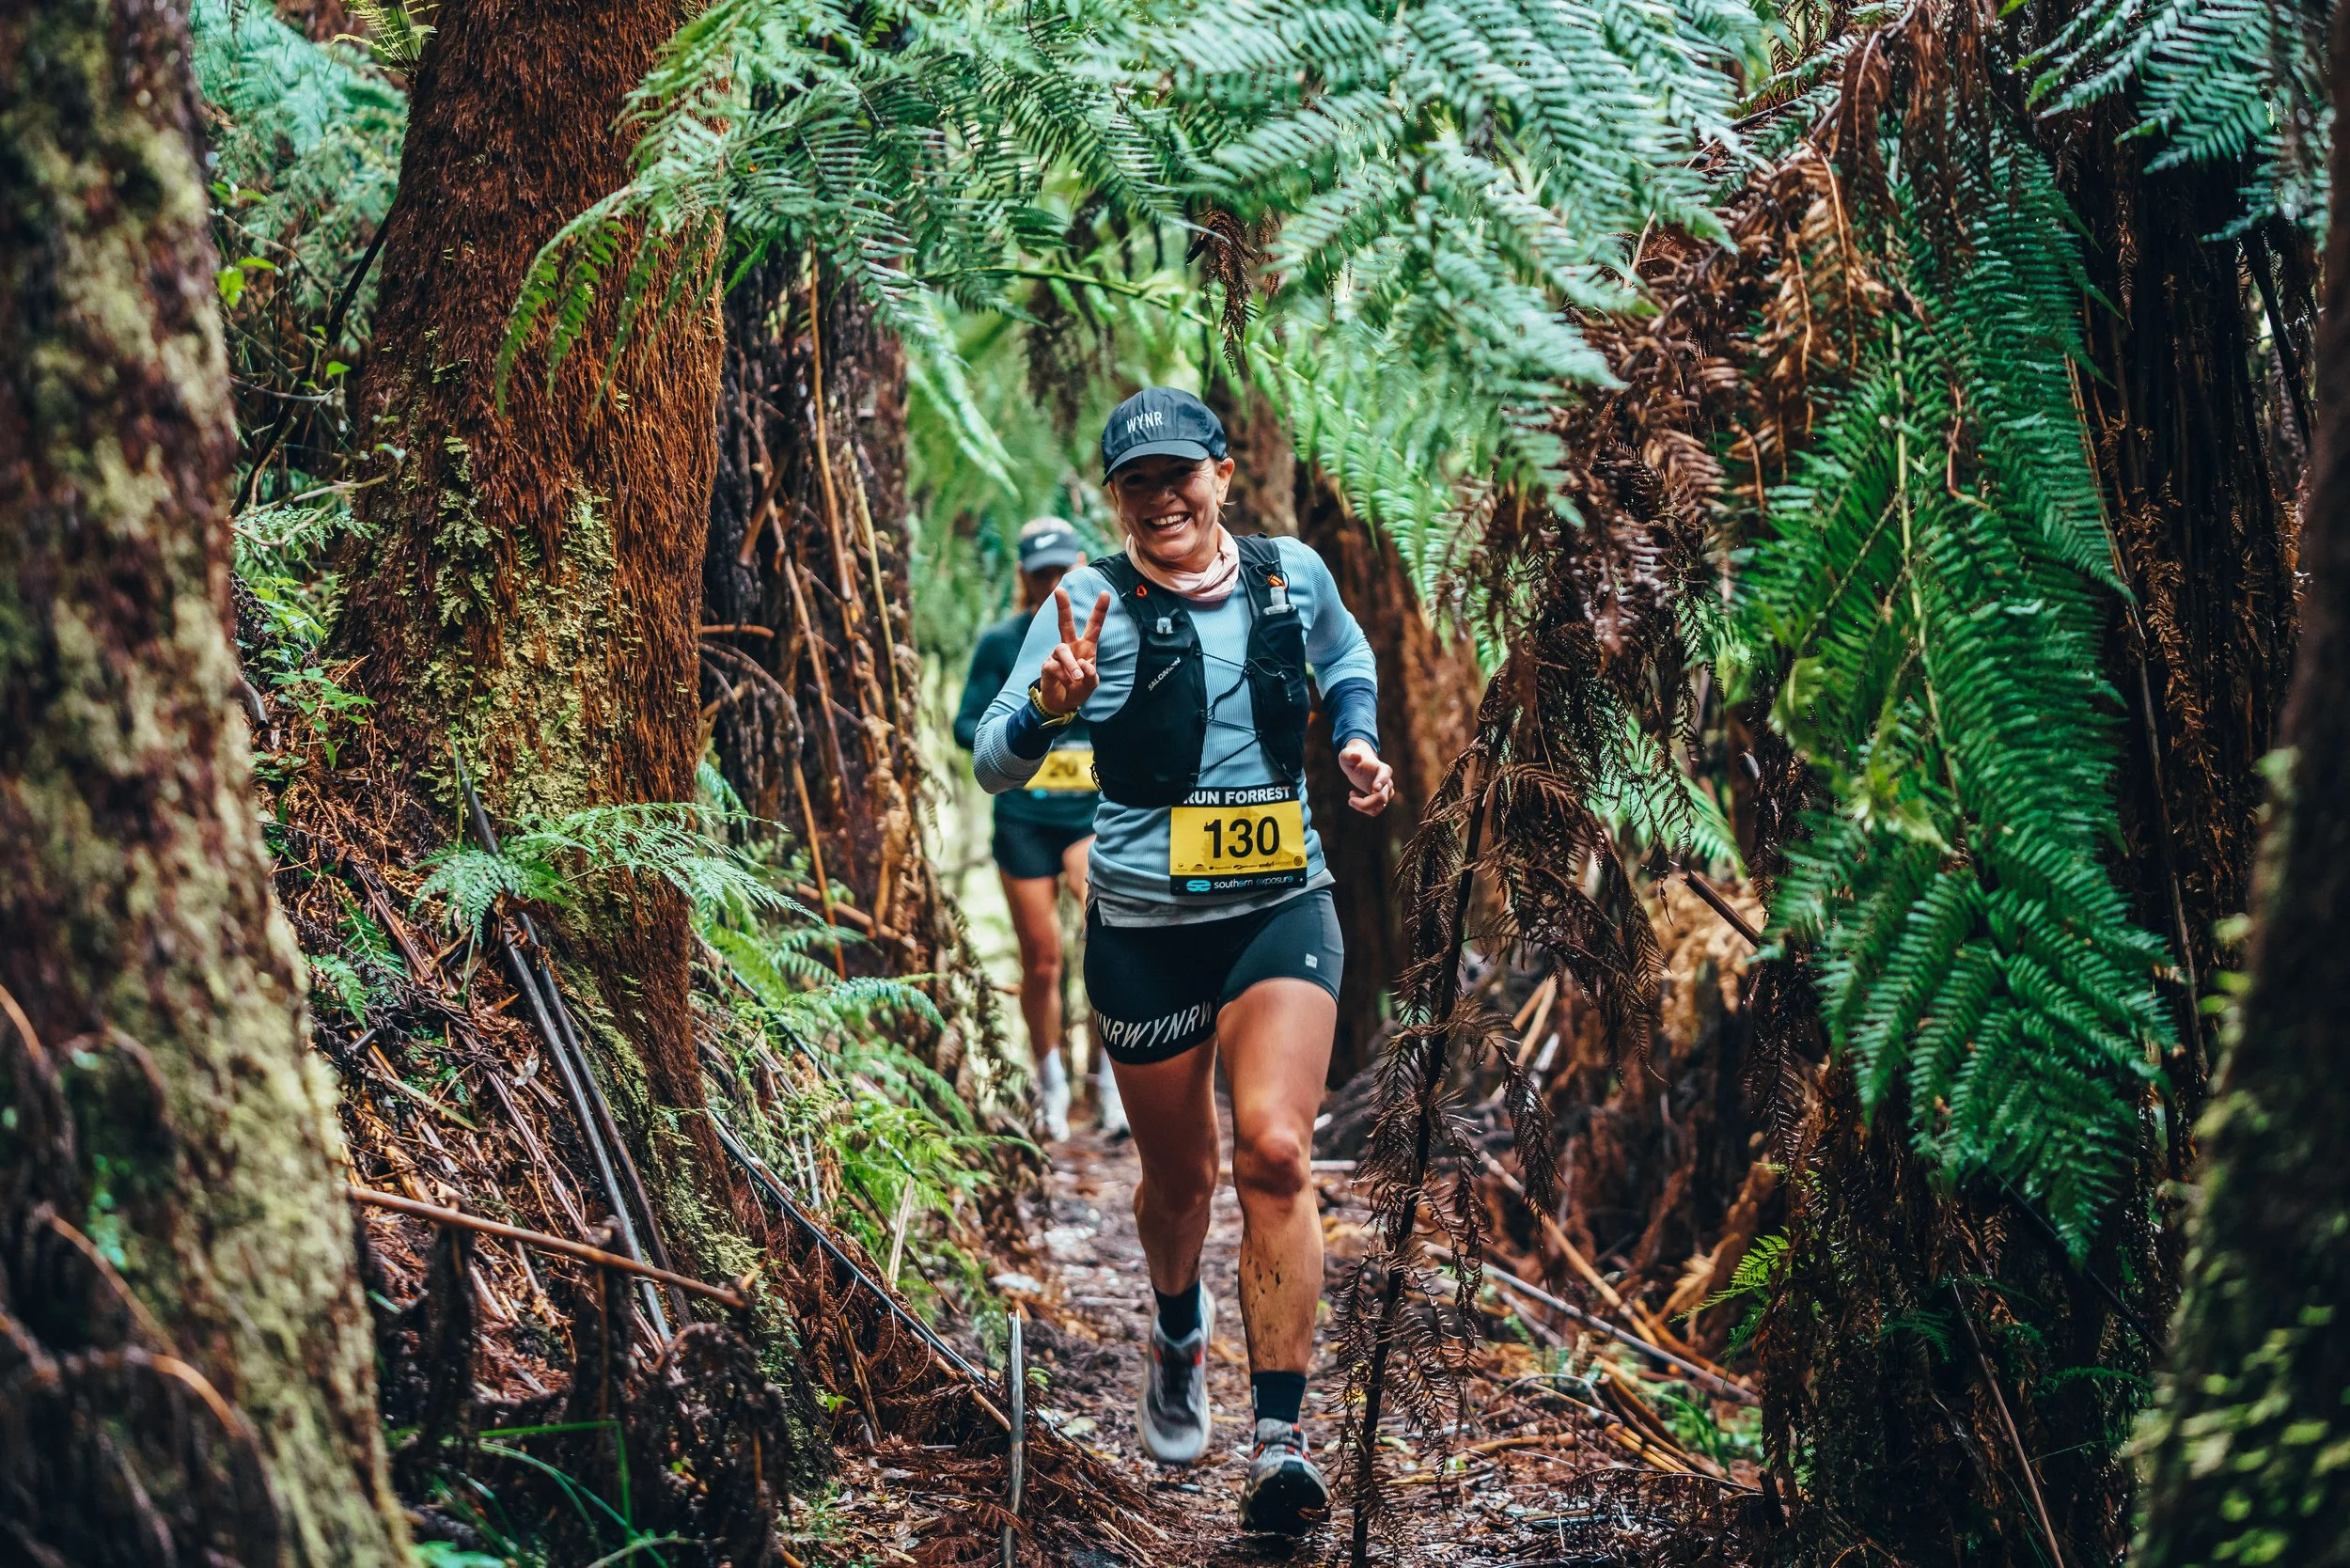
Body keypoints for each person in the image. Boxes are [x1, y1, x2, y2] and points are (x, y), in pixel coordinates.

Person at [971, 388, 1396, 1535]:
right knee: (1181, 1184)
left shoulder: (1287, 575)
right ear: (1114, 501)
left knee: (1270, 1150)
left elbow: (1344, 657)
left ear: (1219, 474)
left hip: (1279, 905)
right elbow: (991, 761)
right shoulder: (1088, 601)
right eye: (1136, 484)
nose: (1162, 499)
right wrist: (1048, 711)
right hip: (1148, 931)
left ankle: (1278, 1443)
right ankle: (1173, 1326)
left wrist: (1353, 737)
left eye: (1179, 475)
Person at [954, 517, 1125, 1142]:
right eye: (1042, 574)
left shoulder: (1110, 632)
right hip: (1024, 818)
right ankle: (1049, 1090)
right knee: (1044, 960)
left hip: (1090, 814)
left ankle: (1112, 1087)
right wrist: (1034, 715)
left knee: (1105, 939)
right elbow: (967, 726)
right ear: (1024, 578)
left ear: (1081, 564)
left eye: (1064, 570)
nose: (1055, 583)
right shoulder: (1002, 643)